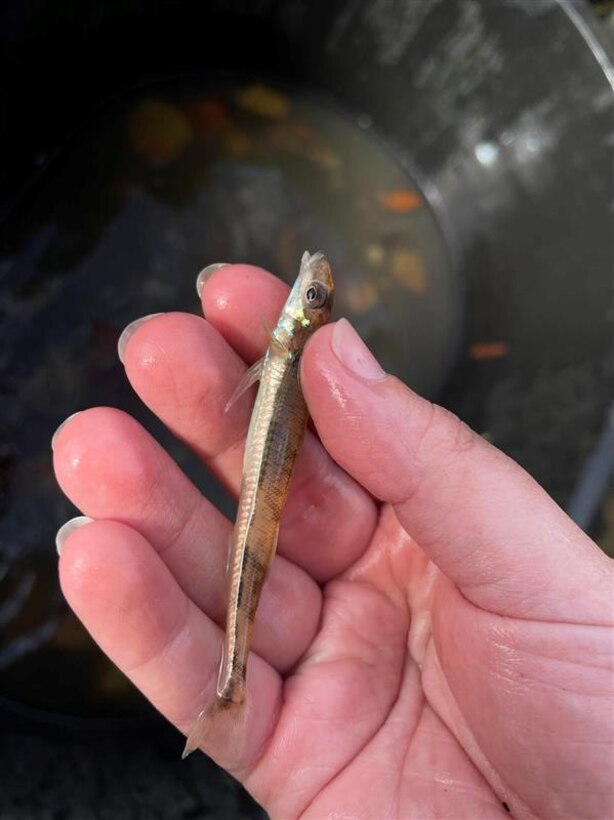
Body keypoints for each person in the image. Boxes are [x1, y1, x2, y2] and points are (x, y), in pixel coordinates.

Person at [52, 263, 613, 819]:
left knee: (230, 541)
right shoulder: (285, 352)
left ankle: (232, 687)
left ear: (295, 326)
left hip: (266, 495)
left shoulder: (285, 352)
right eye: (315, 294)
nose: (308, 283)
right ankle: (231, 682)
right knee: (229, 540)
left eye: (311, 294)